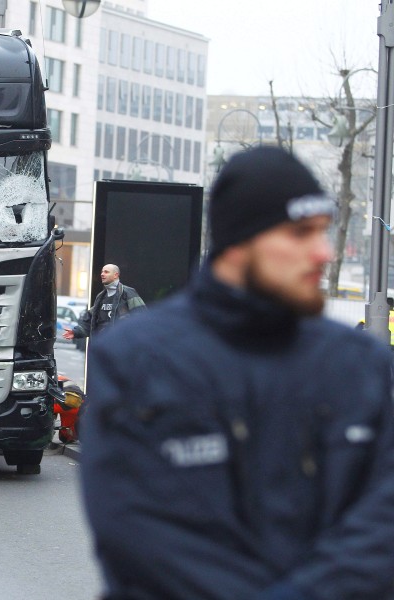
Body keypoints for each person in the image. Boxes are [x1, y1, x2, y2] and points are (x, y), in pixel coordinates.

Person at [81, 146, 394, 600]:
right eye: (301, 233)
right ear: (240, 244)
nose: (324, 252)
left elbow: (381, 522)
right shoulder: (135, 360)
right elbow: (137, 530)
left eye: (323, 232)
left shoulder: (358, 363)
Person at [62, 264, 145, 342]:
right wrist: (76, 332)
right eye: (102, 272)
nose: (102, 274)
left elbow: (141, 317)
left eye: (106, 272)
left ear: (115, 275)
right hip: (103, 347)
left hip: (122, 347)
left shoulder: (128, 293)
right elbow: (89, 320)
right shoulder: (101, 297)